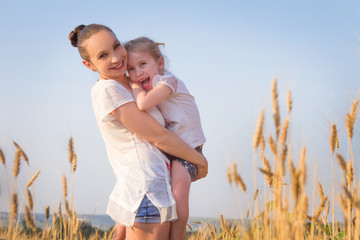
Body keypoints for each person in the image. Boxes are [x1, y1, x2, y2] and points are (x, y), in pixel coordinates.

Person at [69, 24, 208, 240]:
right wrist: (199, 160)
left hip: (152, 188)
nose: (116, 58)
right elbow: (157, 136)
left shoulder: (130, 84)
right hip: (146, 191)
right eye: (103, 55)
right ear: (89, 65)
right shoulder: (108, 90)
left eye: (116, 46)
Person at [124, 37, 206, 240]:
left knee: (178, 198)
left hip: (188, 152)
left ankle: (177, 235)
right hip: (175, 151)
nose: (137, 73)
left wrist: (133, 86)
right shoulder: (154, 85)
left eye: (143, 64)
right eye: (131, 69)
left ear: (160, 63)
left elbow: (143, 105)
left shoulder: (168, 81)